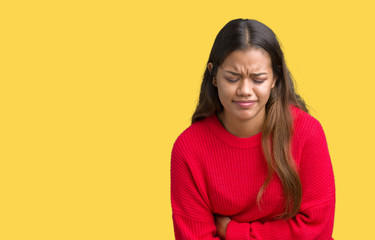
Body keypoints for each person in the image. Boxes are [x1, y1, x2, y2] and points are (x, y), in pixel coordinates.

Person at [170, 19, 335, 240]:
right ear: (214, 75)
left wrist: (234, 232)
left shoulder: (307, 133)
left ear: (275, 78)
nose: (245, 90)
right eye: (232, 78)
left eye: (258, 79)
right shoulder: (188, 148)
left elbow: (317, 229)